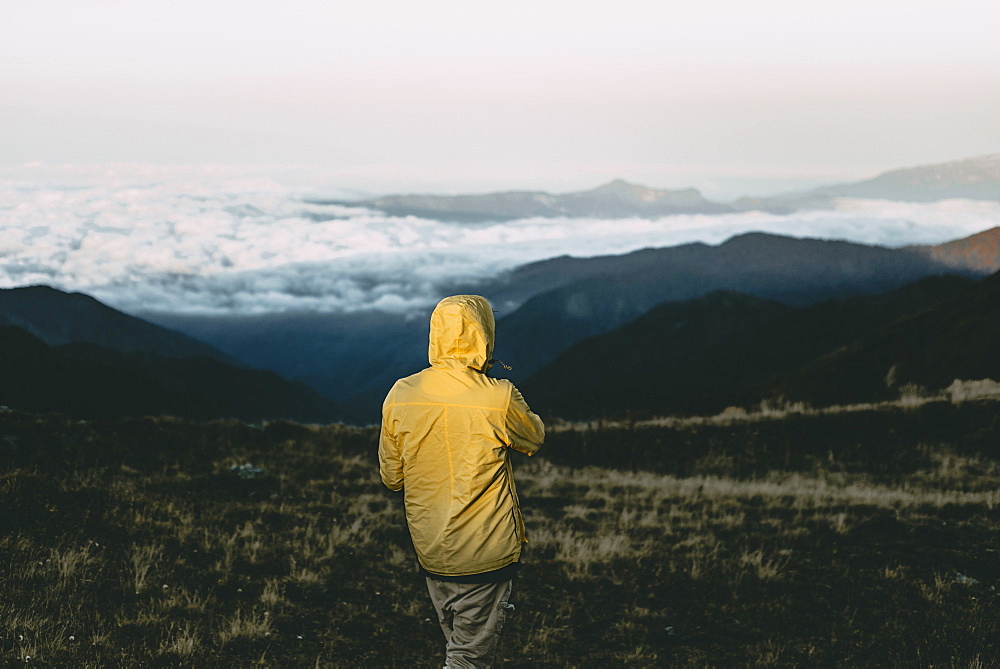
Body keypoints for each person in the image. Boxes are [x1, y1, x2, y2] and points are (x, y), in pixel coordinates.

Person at [379, 294, 545, 668]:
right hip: (486, 551)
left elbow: (391, 477)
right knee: (468, 658)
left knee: (457, 642)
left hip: (431, 548)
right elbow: (534, 437)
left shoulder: (400, 394)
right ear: (485, 334)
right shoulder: (498, 397)